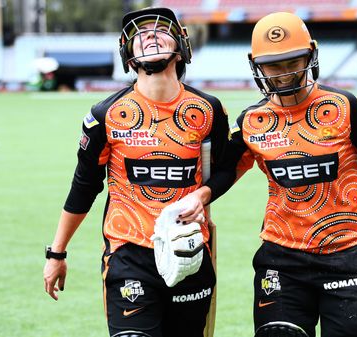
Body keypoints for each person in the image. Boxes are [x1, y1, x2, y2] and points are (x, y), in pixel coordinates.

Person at [216, 12, 357, 337]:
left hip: (350, 255)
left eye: (294, 59)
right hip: (281, 259)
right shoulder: (251, 121)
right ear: (257, 65)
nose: (285, 73)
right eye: (274, 65)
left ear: (311, 54)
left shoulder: (347, 107)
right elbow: (218, 176)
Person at [43, 7, 230, 337]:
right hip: (128, 254)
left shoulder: (209, 109)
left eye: (161, 31)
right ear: (129, 58)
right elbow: (84, 186)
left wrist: (204, 193)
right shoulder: (106, 115)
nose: (150, 36)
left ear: (182, 48)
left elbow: (225, 171)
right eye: (141, 35)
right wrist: (56, 253)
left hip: (189, 251)